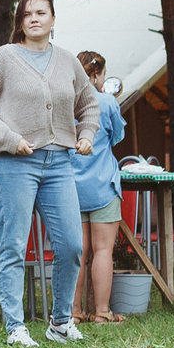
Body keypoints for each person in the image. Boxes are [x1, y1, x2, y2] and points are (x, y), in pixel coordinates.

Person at [0, 0, 97, 348]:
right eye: (27, 14)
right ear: (20, 22)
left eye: (41, 12)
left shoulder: (68, 61)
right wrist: (8, 138)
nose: (35, 18)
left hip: (60, 164)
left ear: (53, 19)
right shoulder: (4, 58)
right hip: (14, 165)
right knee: (13, 245)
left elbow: (90, 105)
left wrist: (86, 134)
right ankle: (16, 328)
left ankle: (61, 322)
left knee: (71, 244)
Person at [71, 51, 127, 324]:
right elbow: (117, 135)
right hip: (103, 184)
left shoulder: (64, 104)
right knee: (103, 250)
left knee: (76, 253)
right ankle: (103, 312)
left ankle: (73, 311)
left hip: (70, 188)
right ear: (95, 76)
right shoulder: (106, 102)